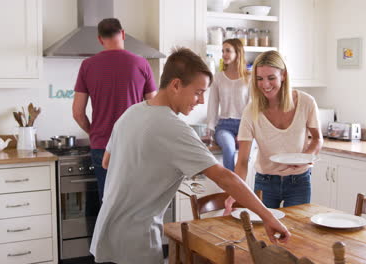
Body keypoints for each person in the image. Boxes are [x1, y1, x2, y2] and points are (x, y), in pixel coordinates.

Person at [89, 48, 290, 264]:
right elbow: (225, 177)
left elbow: (107, 161)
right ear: (176, 85)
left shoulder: (132, 112)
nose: (201, 101)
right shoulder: (173, 127)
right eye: (198, 92)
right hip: (136, 240)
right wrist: (268, 217)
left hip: (107, 231)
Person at [225, 50, 323, 212]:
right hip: (265, 182)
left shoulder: (306, 102)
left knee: (297, 230)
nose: (265, 84)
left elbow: (317, 139)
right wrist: (235, 191)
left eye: (271, 78)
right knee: (264, 232)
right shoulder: (251, 111)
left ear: (283, 75)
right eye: (259, 79)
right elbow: (242, 161)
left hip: (299, 180)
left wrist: (305, 158)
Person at [72, 18, 157, 203]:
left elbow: (78, 113)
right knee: (135, 202)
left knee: (108, 203)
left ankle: (108, 233)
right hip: (134, 145)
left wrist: (94, 131)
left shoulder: (87, 65)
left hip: (101, 144)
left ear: (100, 40)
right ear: (123, 34)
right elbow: (155, 108)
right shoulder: (141, 64)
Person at [206, 38, 250, 171]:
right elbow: (212, 105)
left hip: (245, 125)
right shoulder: (218, 78)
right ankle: (232, 187)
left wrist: (244, 131)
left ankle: (240, 188)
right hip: (224, 126)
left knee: (245, 157)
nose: (224, 54)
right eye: (223, 51)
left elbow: (252, 106)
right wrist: (210, 130)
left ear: (238, 53)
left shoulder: (249, 78)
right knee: (229, 148)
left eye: (228, 51)